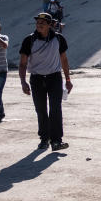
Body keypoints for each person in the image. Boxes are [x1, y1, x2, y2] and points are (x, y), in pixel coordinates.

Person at [19, 12, 71, 150]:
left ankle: (56, 141)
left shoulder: (58, 39)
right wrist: (23, 82)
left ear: (50, 25)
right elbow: (23, 63)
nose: (39, 25)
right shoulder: (29, 40)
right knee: (41, 109)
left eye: (42, 23)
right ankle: (44, 139)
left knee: (55, 109)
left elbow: (64, 60)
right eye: (37, 23)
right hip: (36, 79)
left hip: (54, 78)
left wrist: (67, 79)